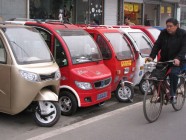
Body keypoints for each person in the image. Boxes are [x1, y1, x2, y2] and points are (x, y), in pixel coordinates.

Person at [146, 18, 186, 104]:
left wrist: (178, 58)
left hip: (177, 61)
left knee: (173, 74)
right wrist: (152, 56)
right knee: (155, 76)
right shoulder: (163, 33)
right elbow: (157, 45)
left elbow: (184, 48)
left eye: (170, 26)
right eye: (167, 26)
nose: (168, 28)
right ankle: (160, 94)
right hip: (164, 60)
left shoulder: (183, 34)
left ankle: (173, 94)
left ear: (176, 26)